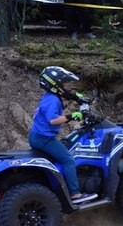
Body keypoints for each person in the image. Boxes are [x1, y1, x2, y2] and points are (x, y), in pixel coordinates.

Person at [29, 66, 97, 205]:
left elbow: (59, 104)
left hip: (40, 136)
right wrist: (74, 115)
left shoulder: (51, 97)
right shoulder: (52, 100)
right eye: (63, 84)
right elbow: (53, 119)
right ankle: (75, 194)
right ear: (54, 85)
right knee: (68, 160)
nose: (65, 87)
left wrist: (74, 97)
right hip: (43, 139)